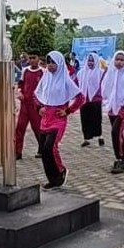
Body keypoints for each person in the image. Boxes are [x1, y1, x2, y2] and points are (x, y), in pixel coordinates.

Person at [35, 51, 85, 189]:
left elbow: (80, 98)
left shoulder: (66, 80)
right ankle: (52, 178)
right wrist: (39, 107)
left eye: (53, 63)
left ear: (60, 63)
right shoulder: (46, 78)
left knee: (50, 147)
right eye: (48, 62)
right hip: (45, 119)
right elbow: (37, 95)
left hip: (58, 119)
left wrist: (67, 111)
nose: (50, 66)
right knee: (44, 151)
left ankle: (61, 170)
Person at [102, 50, 124, 174]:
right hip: (112, 107)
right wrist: (108, 101)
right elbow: (105, 88)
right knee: (118, 134)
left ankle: (119, 159)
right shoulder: (110, 73)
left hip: (123, 108)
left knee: (115, 132)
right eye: (117, 59)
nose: (119, 62)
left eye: (122, 60)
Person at [14, 54, 44, 161]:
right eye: (30, 58)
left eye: (34, 58)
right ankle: (17, 152)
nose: (31, 60)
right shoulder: (25, 71)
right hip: (25, 104)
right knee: (20, 128)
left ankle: (42, 149)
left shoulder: (43, 72)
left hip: (36, 105)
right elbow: (20, 84)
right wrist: (19, 92)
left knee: (38, 128)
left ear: (38, 59)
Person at [77, 52, 105, 148]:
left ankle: (100, 137)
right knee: (85, 119)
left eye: (92, 61)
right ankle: (86, 139)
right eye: (89, 60)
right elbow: (77, 85)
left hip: (96, 100)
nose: (90, 63)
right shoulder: (81, 73)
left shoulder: (100, 73)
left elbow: (103, 86)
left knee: (97, 119)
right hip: (84, 100)